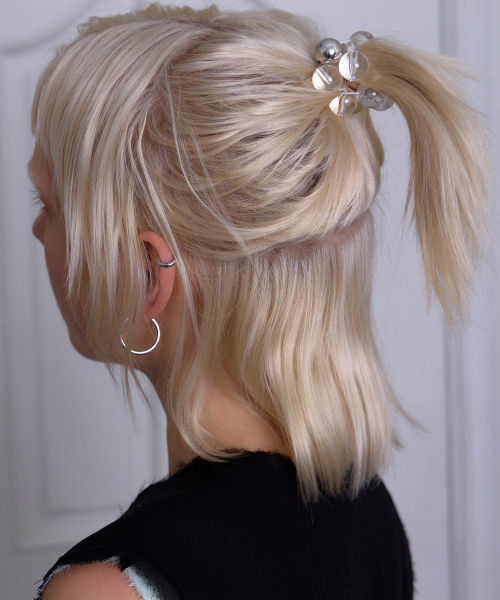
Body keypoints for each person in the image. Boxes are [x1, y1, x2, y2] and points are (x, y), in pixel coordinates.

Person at [29, 4, 490, 599]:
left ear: (146, 274)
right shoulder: (367, 510)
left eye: (49, 206)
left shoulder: (106, 590)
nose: (37, 231)